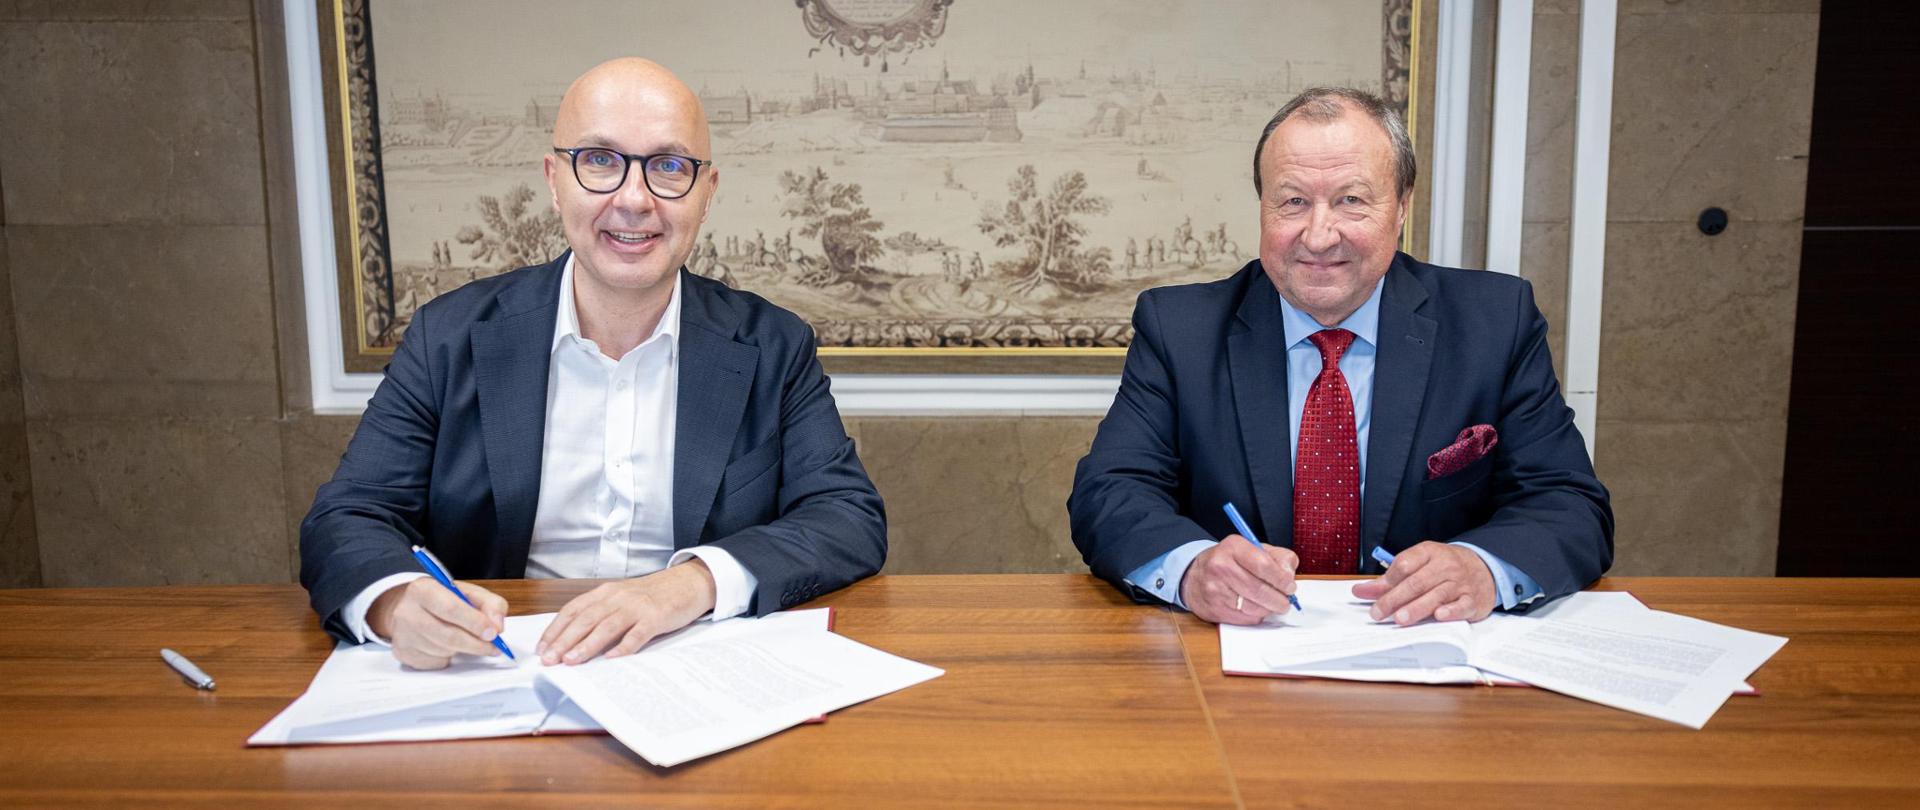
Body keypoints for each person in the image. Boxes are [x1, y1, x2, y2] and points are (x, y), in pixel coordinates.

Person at [300, 58, 886, 670]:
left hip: (697, 669)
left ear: (707, 193)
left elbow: (846, 518)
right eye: (600, 160)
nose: (634, 200)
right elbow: (348, 516)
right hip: (501, 671)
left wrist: (687, 585)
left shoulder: (774, 345)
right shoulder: (448, 337)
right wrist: (395, 604)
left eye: (669, 166)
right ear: (555, 181)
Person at [1068, 87, 1611, 628]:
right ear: (1262, 207)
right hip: (1237, 646)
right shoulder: (1180, 329)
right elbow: (1110, 491)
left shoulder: (1494, 322)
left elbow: (1568, 504)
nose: (1319, 235)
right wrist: (1192, 569)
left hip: (1426, 648)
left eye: (1351, 200)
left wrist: (1482, 569)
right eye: (1293, 202)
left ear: (1401, 206)